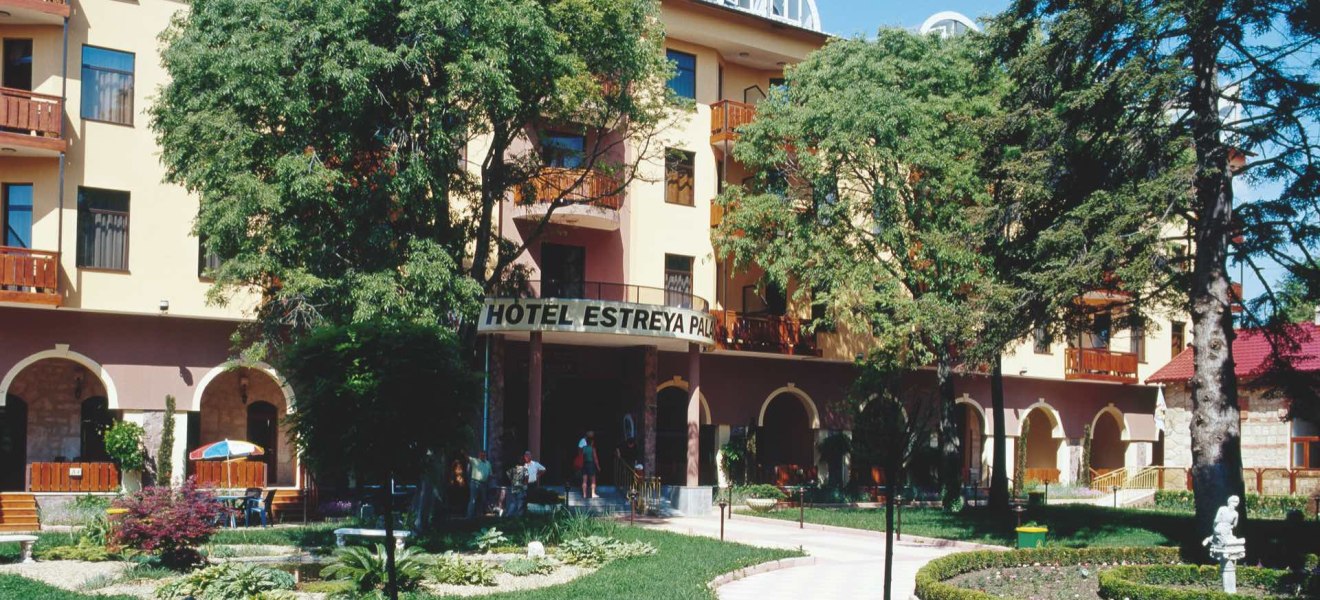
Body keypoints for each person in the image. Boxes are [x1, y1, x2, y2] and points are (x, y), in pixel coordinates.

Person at [466, 450, 491, 519]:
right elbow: (467, 457)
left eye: (484, 455)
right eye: (481, 455)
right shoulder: (475, 460)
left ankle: (479, 516)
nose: (483, 456)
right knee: (473, 500)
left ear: (485, 455)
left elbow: (490, 474)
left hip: (484, 484)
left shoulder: (488, 463)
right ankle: (469, 516)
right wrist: (464, 451)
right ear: (479, 455)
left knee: (482, 500)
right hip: (475, 483)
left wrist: (489, 481)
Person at [582, 431, 600, 499]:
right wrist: (598, 467)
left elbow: (582, 456)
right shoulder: (592, 448)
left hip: (584, 464)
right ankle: (593, 494)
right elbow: (595, 458)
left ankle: (584, 494)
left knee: (584, 480)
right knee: (593, 480)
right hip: (591, 464)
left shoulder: (584, 448)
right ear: (592, 442)